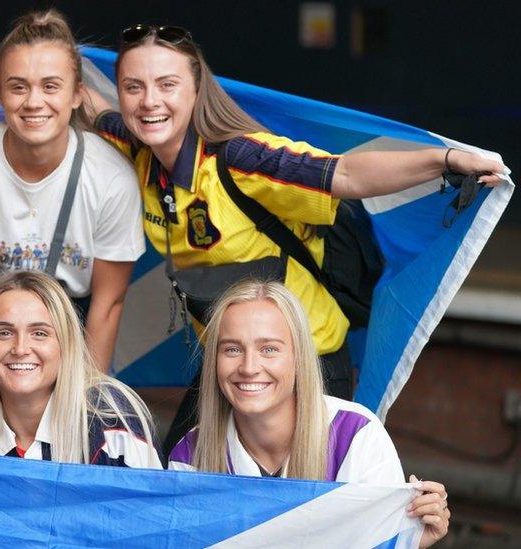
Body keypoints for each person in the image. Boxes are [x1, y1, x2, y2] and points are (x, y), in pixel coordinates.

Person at [86, 23, 508, 449]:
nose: (149, 101)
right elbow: (86, 102)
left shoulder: (241, 159)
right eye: (133, 87)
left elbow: (345, 173)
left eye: (167, 84)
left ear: (197, 90)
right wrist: (55, 62)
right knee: (179, 479)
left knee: (297, 497)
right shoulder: (134, 147)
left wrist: (444, 158)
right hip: (231, 363)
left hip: (307, 364)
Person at [0, 10, 144, 371]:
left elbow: (107, 305)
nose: (34, 101)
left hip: (71, 328)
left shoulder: (112, 179)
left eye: (50, 86)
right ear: (0, 94)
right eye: (18, 86)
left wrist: (88, 400)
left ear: (77, 95)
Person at [167, 279, 450, 547]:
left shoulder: (356, 435)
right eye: (232, 349)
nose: (249, 366)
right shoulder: (190, 455)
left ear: (298, 357)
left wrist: (407, 541)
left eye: (268, 349)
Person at [0, 270, 161, 467]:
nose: (21, 348)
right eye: (4, 333)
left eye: (39, 333)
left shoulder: (114, 420)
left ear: (66, 343)